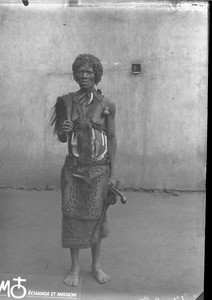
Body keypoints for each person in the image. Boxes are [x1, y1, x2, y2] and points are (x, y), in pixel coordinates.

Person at [51, 54, 117, 287]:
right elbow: (61, 137)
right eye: (80, 71)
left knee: (97, 216)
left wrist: (114, 174)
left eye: (89, 72)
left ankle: (96, 266)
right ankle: (75, 267)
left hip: (99, 172)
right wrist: (63, 130)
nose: (84, 75)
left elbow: (112, 138)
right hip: (73, 170)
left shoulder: (107, 104)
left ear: (96, 74)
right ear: (75, 74)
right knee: (72, 216)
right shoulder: (66, 103)